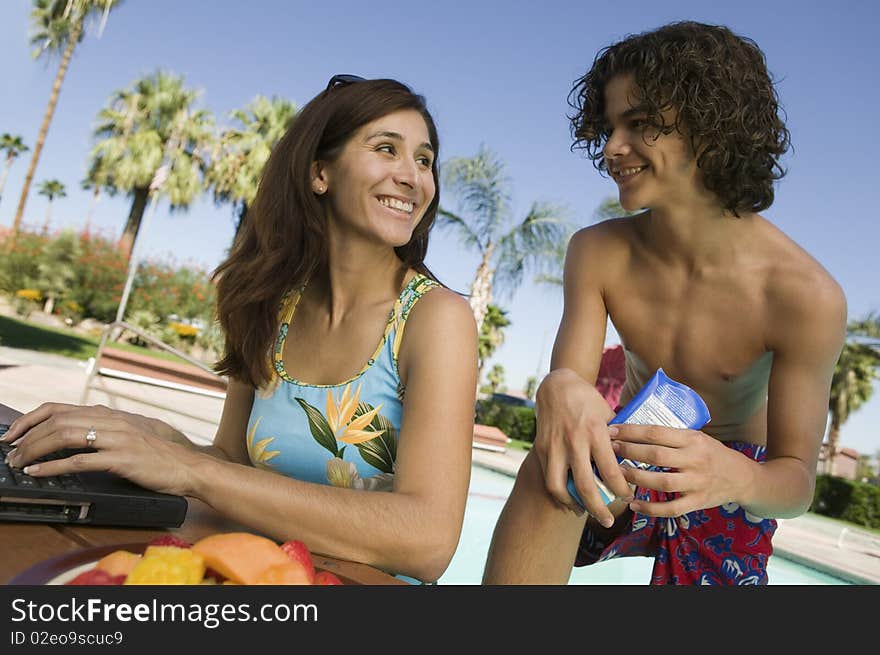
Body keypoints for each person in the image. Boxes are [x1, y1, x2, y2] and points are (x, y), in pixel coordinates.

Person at [2, 76, 478, 584]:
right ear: (320, 172)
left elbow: (428, 541)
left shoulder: (435, 318)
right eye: (388, 149)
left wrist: (194, 470)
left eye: (424, 160)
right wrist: (144, 436)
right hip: (248, 575)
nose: (413, 177)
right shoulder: (271, 305)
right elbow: (230, 461)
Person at [482, 21, 846, 585]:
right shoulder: (598, 252)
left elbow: (796, 482)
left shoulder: (803, 296)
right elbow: (571, 395)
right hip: (627, 453)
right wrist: (557, 388)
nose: (610, 149)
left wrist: (733, 477)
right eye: (608, 126)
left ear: (711, 127)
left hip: (731, 479)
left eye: (640, 124)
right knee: (551, 469)